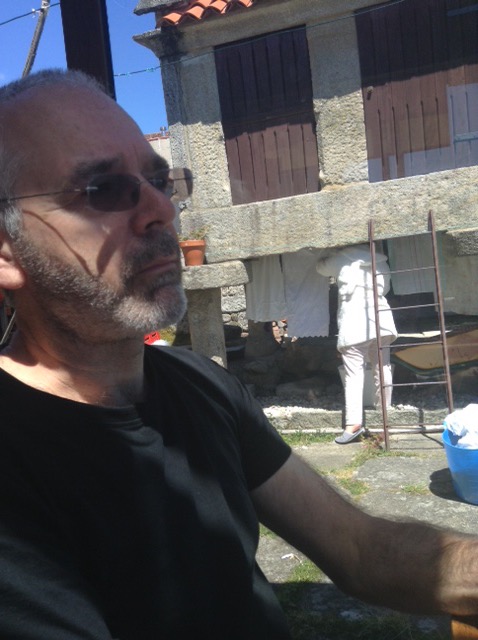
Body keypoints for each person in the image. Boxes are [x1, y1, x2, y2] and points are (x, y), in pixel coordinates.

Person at [0, 69, 477, 640]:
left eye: (160, 180)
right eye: (103, 188)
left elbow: (360, 548)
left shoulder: (200, 383)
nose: (161, 210)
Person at [317, 245, 397, 444]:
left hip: (354, 323)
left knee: (354, 373)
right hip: (381, 319)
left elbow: (320, 268)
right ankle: (385, 417)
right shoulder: (381, 260)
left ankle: (353, 423)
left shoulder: (340, 259)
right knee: (383, 367)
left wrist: (328, 251)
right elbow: (386, 289)